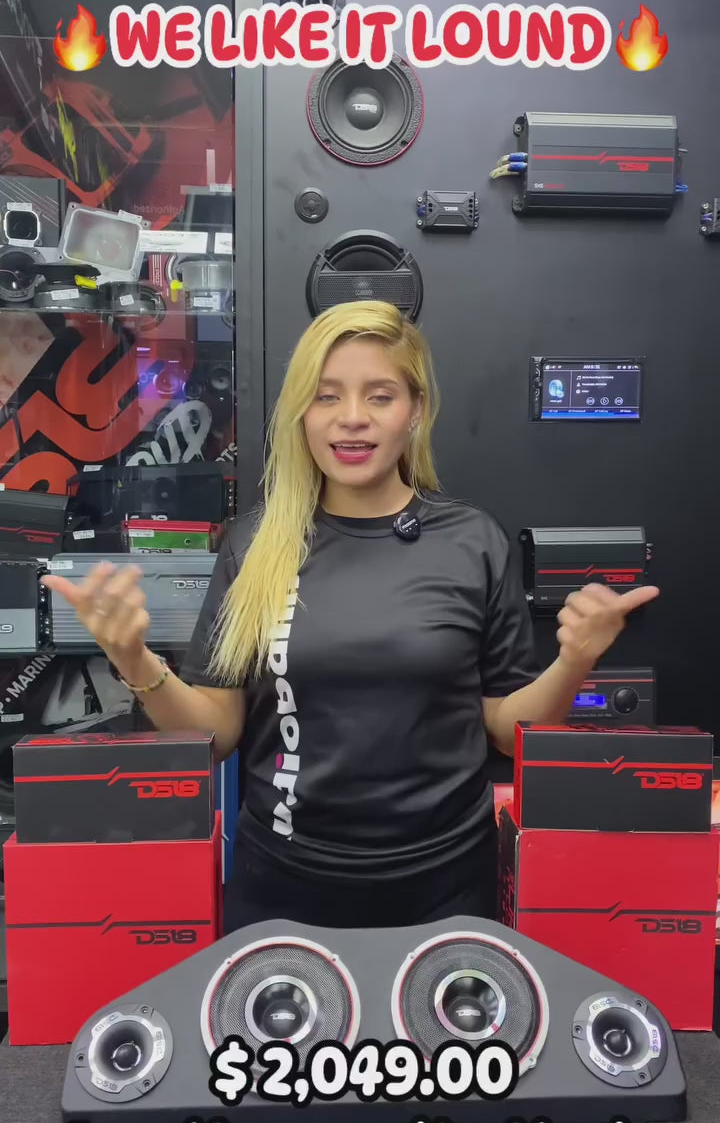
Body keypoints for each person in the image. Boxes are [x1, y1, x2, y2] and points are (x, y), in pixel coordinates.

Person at [42, 301, 659, 933]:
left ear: (415, 411)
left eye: (380, 396)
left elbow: (507, 729)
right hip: (282, 887)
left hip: (446, 888)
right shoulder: (255, 545)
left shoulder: (472, 541)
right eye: (327, 396)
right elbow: (216, 734)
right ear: (302, 414)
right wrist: (134, 660)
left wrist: (576, 660)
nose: (353, 417)